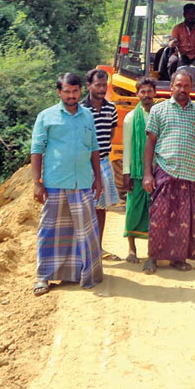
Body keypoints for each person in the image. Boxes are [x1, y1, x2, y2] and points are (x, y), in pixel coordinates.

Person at [30, 73, 103, 296]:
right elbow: (36, 150)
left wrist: (98, 179)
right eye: (67, 92)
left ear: (80, 91)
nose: (71, 96)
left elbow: (93, 148)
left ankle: (85, 273)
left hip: (81, 183)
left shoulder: (87, 116)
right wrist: (37, 183)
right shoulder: (46, 117)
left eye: (75, 91)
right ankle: (43, 277)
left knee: (84, 232)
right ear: (59, 92)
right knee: (50, 232)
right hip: (54, 183)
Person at [142, 68, 195, 274]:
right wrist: (148, 173)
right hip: (165, 170)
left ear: (192, 88)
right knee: (159, 216)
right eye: (178, 85)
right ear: (171, 87)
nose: (182, 89)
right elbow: (150, 143)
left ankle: (178, 258)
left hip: (189, 173)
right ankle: (153, 258)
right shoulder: (159, 110)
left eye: (186, 86)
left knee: (185, 219)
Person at [83, 68, 120, 260]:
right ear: (88, 86)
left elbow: (111, 134)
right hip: (84, 165)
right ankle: (83, 250)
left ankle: (98, 248)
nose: (101, 89)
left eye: (104, 85)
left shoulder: (111, 108)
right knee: (83, 208)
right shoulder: (81, 110)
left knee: (101, 208)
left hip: (104, 162)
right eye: (97, 85)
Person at [121, 76, 157, 263]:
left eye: (149, 91)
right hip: (136, 172)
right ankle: (132, 249)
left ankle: (154, 250)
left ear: (155, 93)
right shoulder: (130, 118)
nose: (146, 95)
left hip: (157, 170)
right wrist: (126, 173)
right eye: (142, 91)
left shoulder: (160, 114)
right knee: (133, 208)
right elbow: (127, 147)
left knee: (156, 212)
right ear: (137, 94)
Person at [167, 3, 195, 78]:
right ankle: (172, 80)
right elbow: (172, 41)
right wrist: (173, 43)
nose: (191, 16)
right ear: (184, 14)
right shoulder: (178, 28)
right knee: (172, 62)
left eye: (193, 13)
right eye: (189, 13)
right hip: (180, 54)